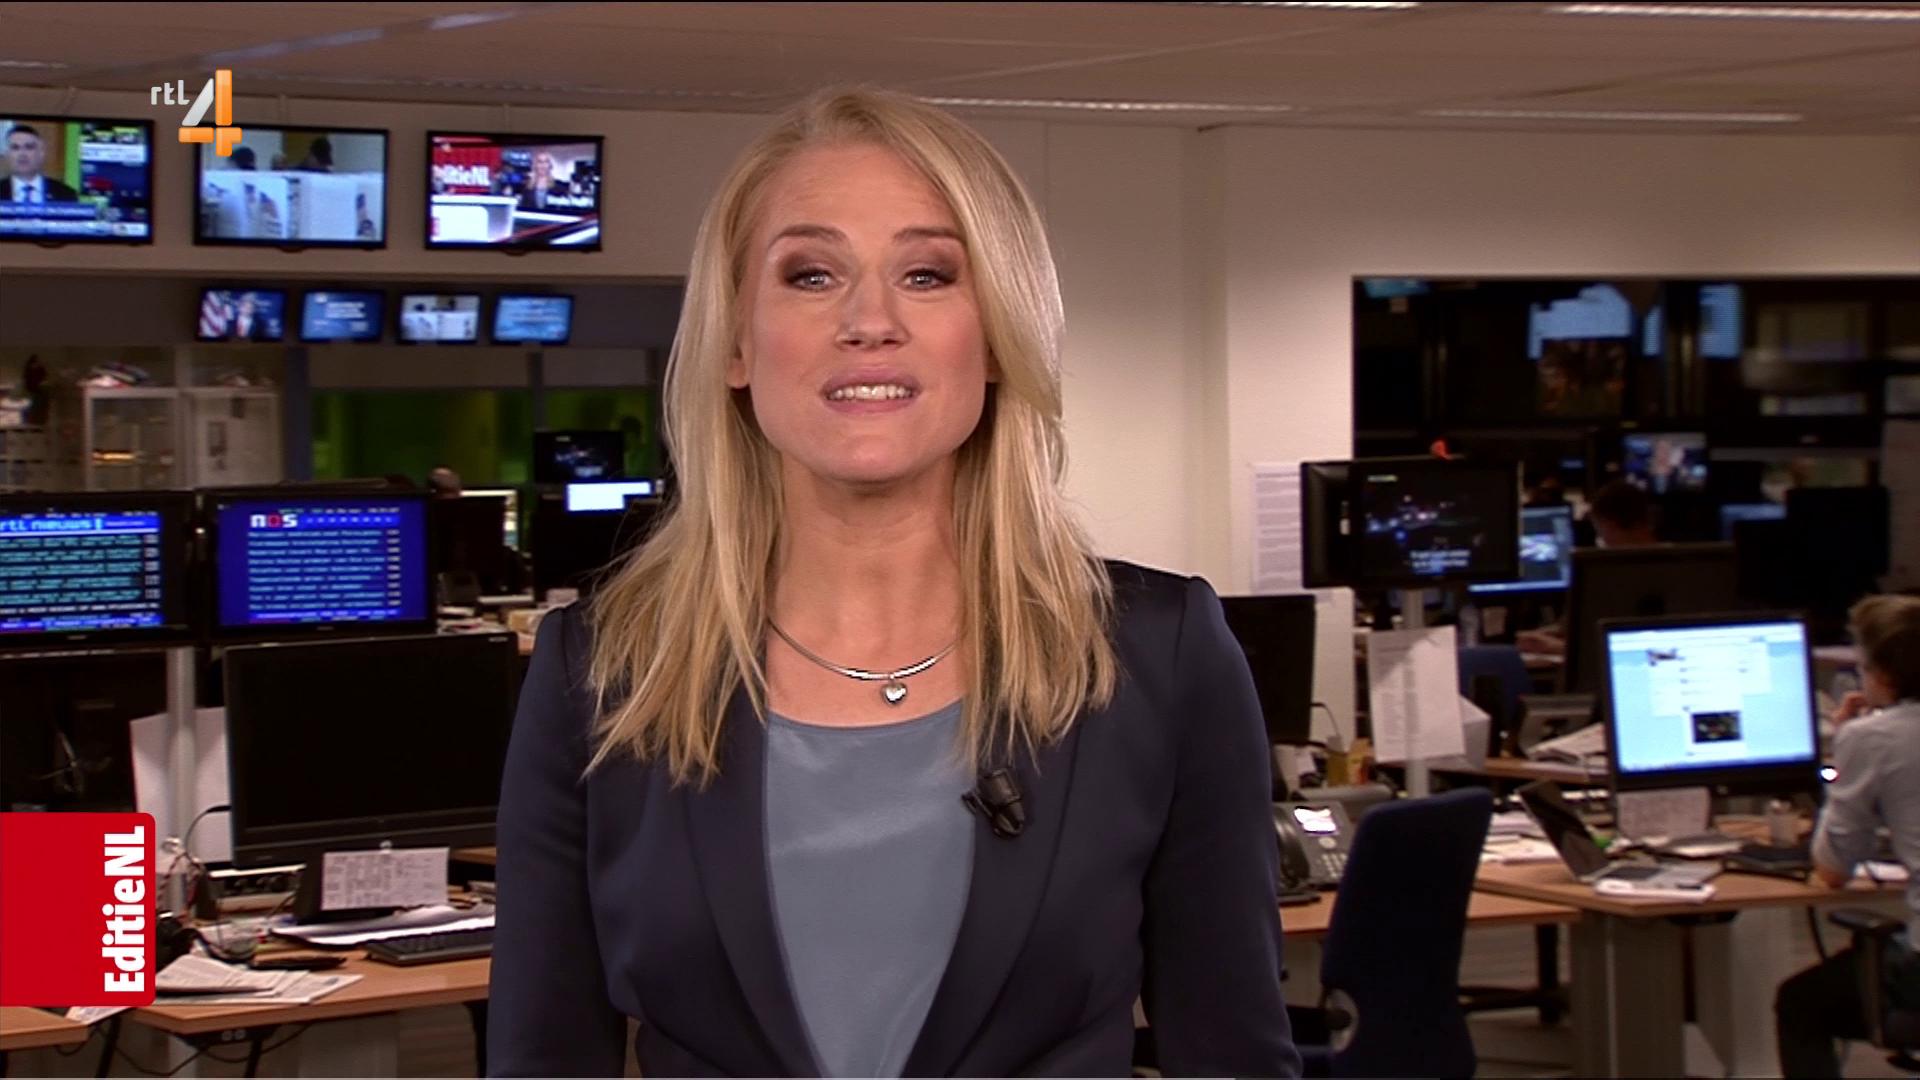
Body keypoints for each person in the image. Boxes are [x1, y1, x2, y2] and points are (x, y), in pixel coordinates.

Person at [487, 88, 1299, 1078]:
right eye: (811, 274)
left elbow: (1234, 1055)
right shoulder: (601, 672)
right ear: (736, 343)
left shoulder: (1158, 656)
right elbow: (541, 1057)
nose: (869, 321)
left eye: (926, 274)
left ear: (995, 335)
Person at [1775, 594, 1920, 1078]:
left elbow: (1833, 867)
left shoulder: (1873, 737)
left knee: (1801, 1002)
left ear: (1883, 673)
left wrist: (1841, 754)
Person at [1517, 479, 1659, 657]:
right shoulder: (1680, 566)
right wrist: (1537, 636)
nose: (1600, 541)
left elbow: (1628, 649)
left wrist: (1553, 647)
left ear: (1609, 526)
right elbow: (1573, 627)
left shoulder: (1614, 575)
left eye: (1600, 532)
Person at [3, 124, 79, 203]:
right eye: (15, 148)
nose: (22, 154)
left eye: (29, 147)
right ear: (7, 154)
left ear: (41, 153)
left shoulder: (66, 194)